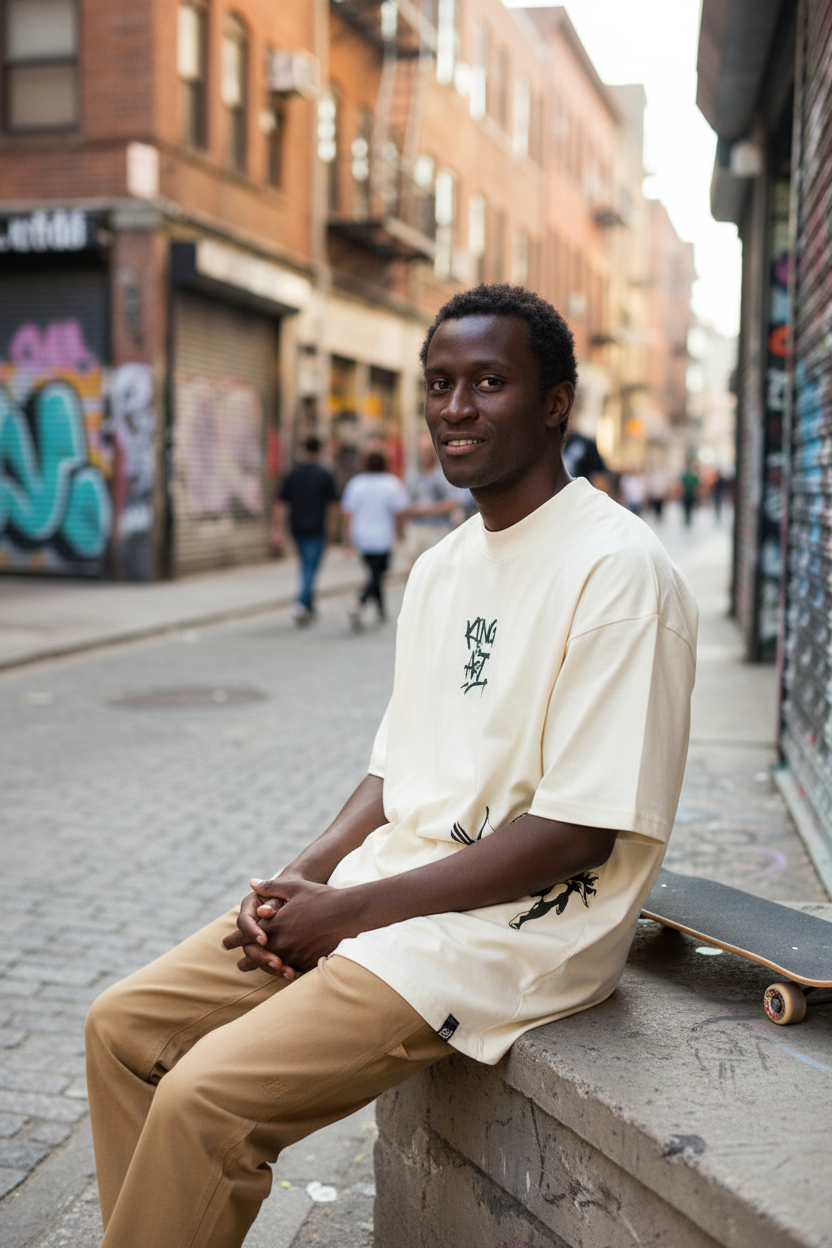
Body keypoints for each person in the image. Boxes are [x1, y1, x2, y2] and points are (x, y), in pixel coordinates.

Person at [85, 284, 697, 1248]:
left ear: (556, 404)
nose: (456, 408)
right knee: (121, 1030)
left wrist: (348, 914)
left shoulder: (617, 569)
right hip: (387, 898)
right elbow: (395, 766)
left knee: (206, 1099)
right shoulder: (443, 566)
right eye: (440, 384)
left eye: (489, 382)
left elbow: (578, 829)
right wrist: (303, 876)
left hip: (508, 933)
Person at [273, 436, 338, 625]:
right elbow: (333, 505)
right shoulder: (325, 474)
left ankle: (309, 606)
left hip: (297, 528)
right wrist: (332, 527)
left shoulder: (292, 473)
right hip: (317, 528)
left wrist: (278, 528)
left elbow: (281, 503)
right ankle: (300, 603)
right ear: (320, 450)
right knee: (311, 566)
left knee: (305, 565)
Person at [341, 451, 409, 628]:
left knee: (374, 573)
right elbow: (400, 511)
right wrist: (400, 532)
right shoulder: (392, 483)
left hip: (362, 536)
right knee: (378, 574)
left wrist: (348, 538)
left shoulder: (356, 484)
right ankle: (359, 602)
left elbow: (347, 512)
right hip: (383, 537)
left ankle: (380, 609)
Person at [403, 432, 469, 567]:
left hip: (439, 529)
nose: (425, 453)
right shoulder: (412, 475)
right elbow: (405, 505)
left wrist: (427, 510)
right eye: (422, 449)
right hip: (417, 529)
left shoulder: (444, 475)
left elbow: (454, 502)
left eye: (428, 449)